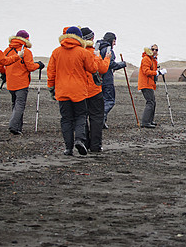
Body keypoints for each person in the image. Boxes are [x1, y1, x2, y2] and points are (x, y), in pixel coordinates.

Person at [47, 26, 101, 156]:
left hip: (62, 90)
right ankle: (79, 140)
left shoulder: (56, 52)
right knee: (81, 116)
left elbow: (51, 72)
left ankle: (68, 148)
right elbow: (93, 68)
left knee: (66, 119)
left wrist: (51, 87)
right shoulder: (83, 52)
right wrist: (97, 58)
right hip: (78, 90)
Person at [0, 30, 44, 135]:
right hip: (22, 83)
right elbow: (30, 67)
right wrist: (39, 65)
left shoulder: (7, 50)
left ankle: (18, 128)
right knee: (20, 105)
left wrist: (4, 74)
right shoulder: (25, 51)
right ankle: (14, 126)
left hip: (11, 82)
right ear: (26, 39)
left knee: (15, 104)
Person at [80, 27, 110, 153]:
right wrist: (106, 57)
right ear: (91, 38)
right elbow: (101, 69)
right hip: (93, 90)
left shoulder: (77, 51)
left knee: (82, 117)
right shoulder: (92, 52)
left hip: (80, 90)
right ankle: (95, 145)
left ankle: (84, 143)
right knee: (96, 118)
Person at [95, 32, 126, 128]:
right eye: (114, 41)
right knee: (109, 100)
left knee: (101, 101)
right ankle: (101, 118)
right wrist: (122, 64)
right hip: (107, 79)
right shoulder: (108, 50)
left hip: (98, 79)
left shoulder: (97, 48)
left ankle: (102, 121)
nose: (115, 44)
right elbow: (111, 64)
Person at [138, 44, 165, 128]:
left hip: (149, 84)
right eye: (153, 49)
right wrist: (157, 73)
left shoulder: (153, 60)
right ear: (149, 50)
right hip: (145, 84)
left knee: (153, 102)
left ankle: (149, 120)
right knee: (150, 102)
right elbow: (146, 71)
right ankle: (145, 122)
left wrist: (157, 72)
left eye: (156, 50)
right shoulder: (146, 59)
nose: (155, 51)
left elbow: (152, 71)